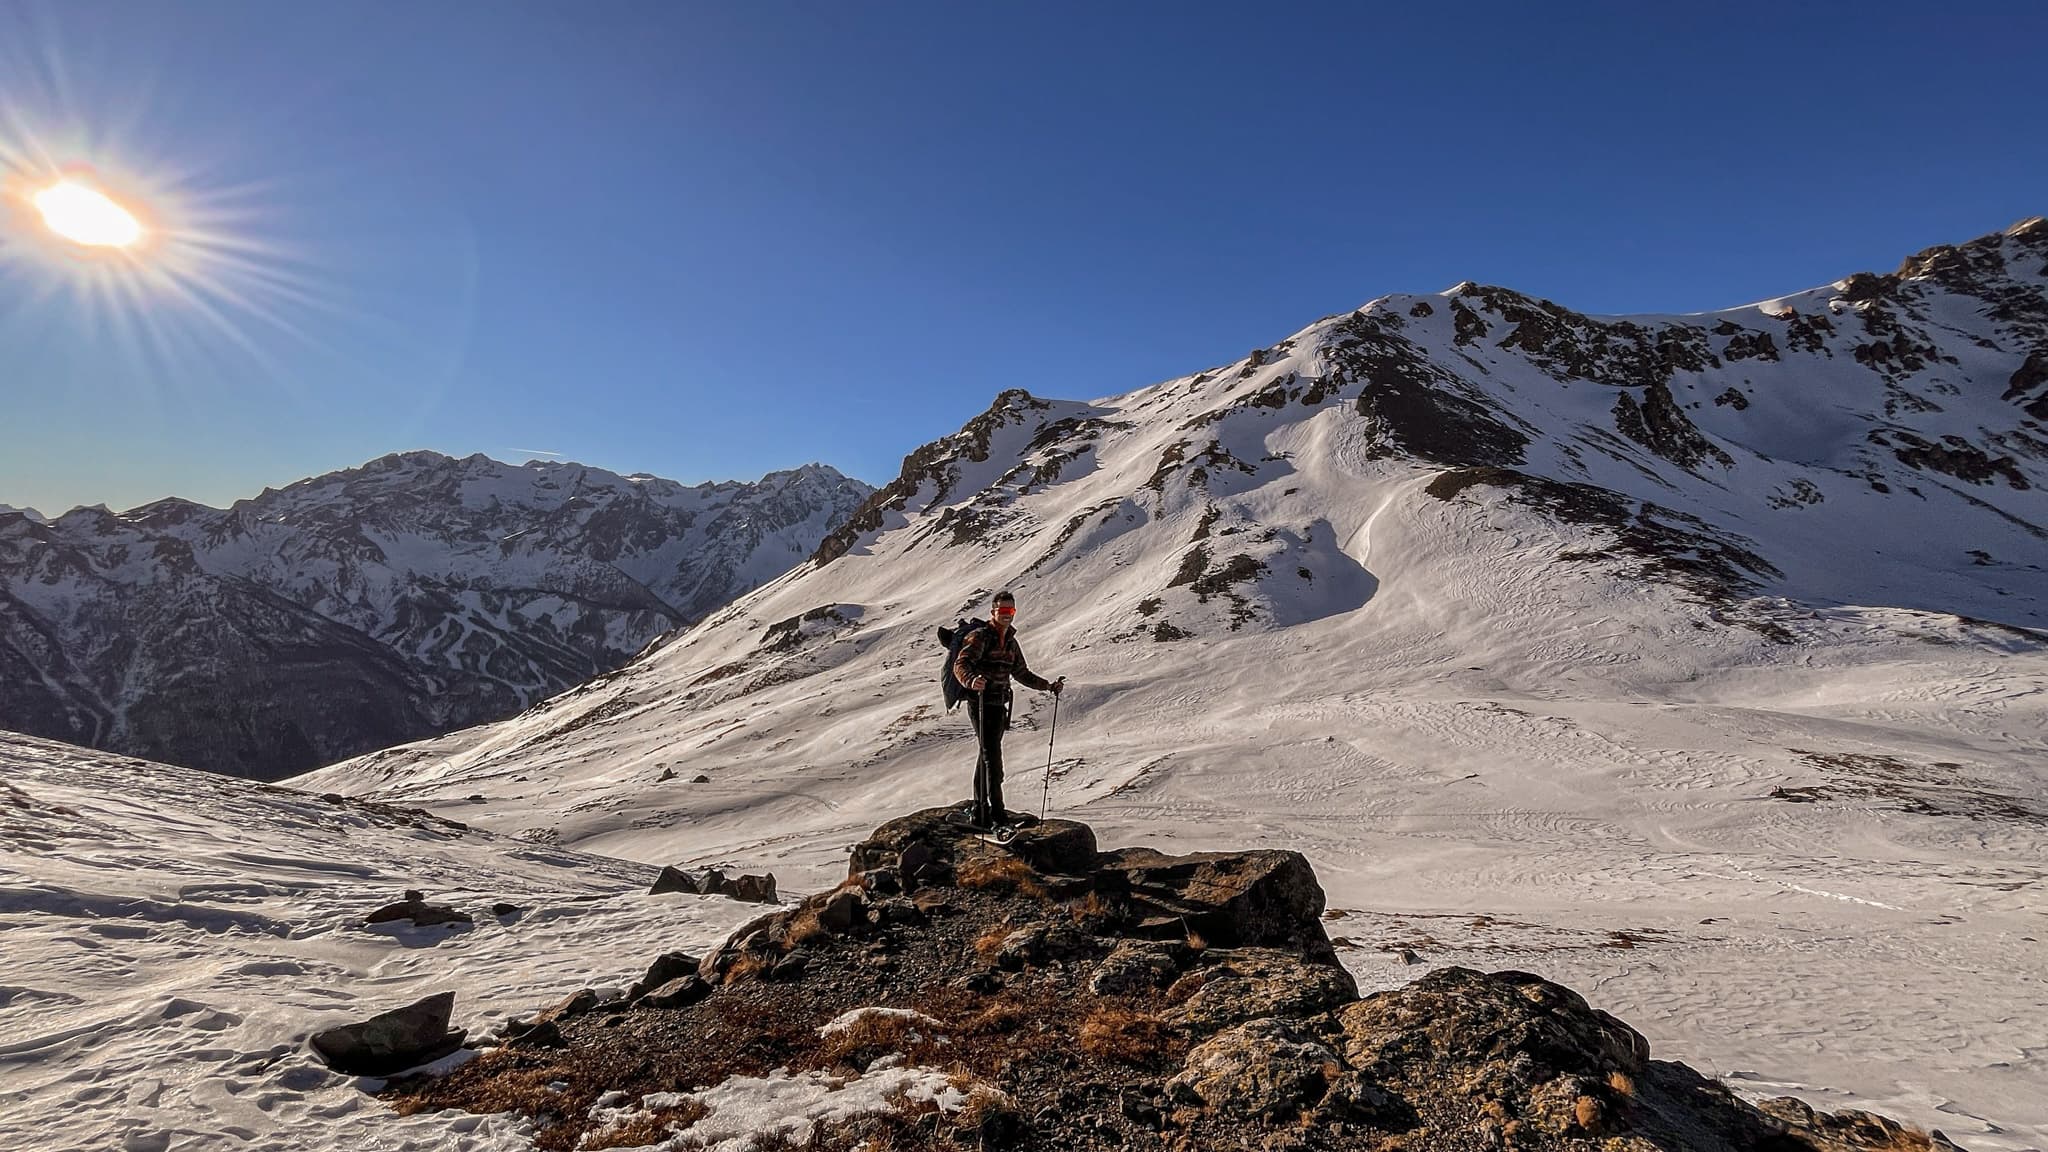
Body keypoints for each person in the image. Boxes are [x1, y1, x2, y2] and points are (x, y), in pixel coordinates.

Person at [952, 590, 1062, 829]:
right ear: (993, 611)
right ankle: (998, 816)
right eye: (1002, 610)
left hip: (999, 706)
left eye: (1010, 611)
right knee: (993, 759)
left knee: (986, 756)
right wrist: (971, 681)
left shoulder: (1011, 642)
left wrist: (1048, 686)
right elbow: (961, 663)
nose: (1006, 615)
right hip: (980, 704)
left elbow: (1021, 673)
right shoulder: (980, 637)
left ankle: (981, 811)